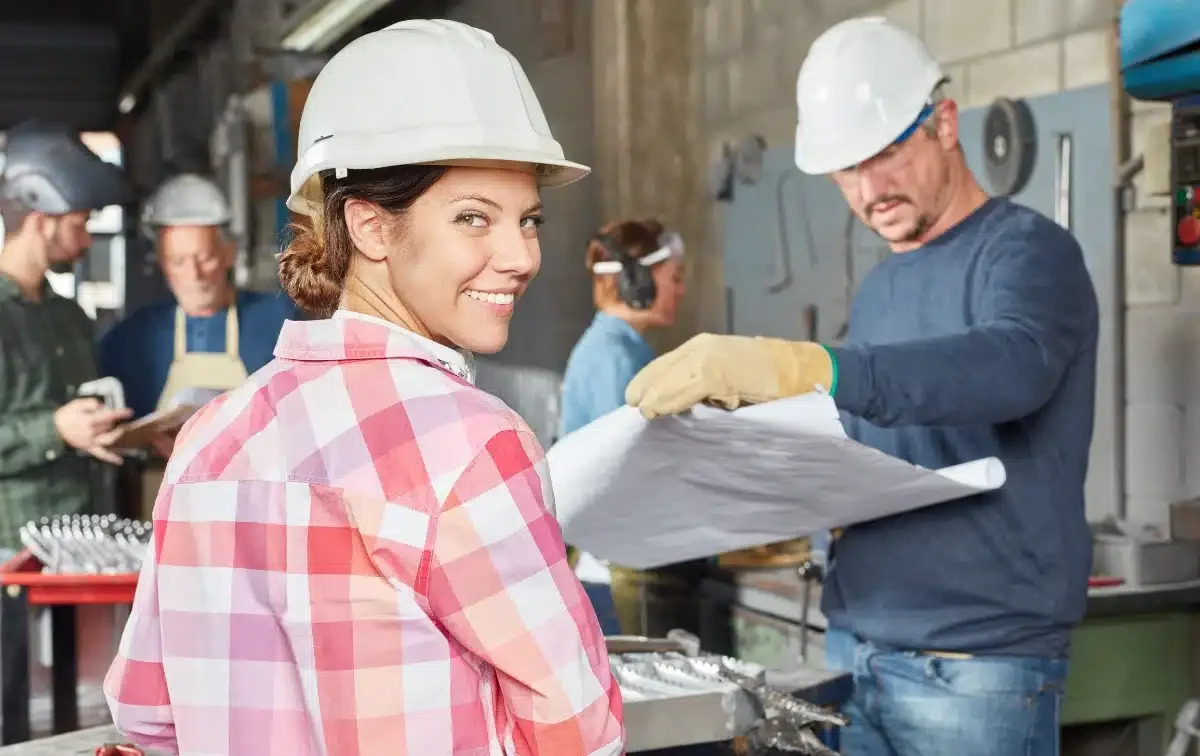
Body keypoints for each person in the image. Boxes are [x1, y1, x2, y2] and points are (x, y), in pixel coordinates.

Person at [104, 19, 624, 756]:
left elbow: (148, 712)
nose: (520, 256)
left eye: (528, 220)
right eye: (473, 218)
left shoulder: (210, 441)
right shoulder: (473, 446)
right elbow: (578, 731)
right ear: (371, 227)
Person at [625, 17, 1098, 756]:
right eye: (846, 170)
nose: (868, 189)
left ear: (944, 123)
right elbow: (871, 446)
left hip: (973, 670)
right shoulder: (879, 290)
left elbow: (1012, 367)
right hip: (853, 652)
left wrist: (812, 365)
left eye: (885, 156)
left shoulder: (1030, 254)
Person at [0, 119, 134, 552]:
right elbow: (58, 426)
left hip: (82, 543)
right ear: (41, 221)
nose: (87, 240)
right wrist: (55, 429)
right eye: (80, 223)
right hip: (12, 552)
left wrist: (123, 433)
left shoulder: (70, 316)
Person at [558, 219, 687, 636]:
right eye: (675, 278)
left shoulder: (622, 348)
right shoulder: (613, 356)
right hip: (613, 569)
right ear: (638, 281)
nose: (681, 290)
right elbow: (622, 466)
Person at [98, 173, 298, 426]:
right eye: (178, 262)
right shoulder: (129, 338)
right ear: (160, 261)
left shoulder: (282, 322)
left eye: (204, 258)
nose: (194, 275)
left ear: (228, 253)